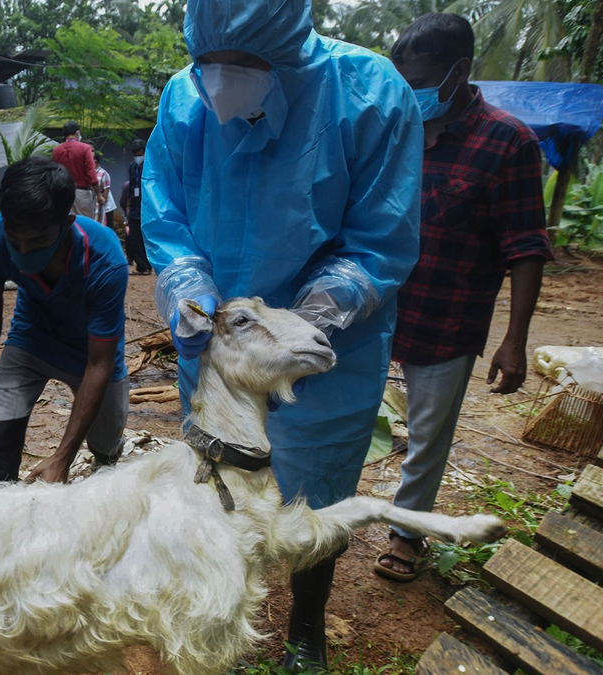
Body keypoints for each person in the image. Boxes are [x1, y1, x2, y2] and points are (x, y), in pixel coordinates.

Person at [141, 0, 422, 670]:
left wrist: (300, 324)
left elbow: (380, 240)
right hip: (217, 355)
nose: (218, 81)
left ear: (288, 49)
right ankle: (221, 607)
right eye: (205, 61)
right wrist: (187, 290)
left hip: (326, 357)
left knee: (316, 492)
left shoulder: (370, 96)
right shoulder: (183, 102)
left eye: (241, 63)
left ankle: (306, 625)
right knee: (219, 483)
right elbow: (166, 214)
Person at [375, 14, 551, 583]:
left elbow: (526, 246)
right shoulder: (394, 131)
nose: (411, 95)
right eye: (403, 83)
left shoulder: (507, 142)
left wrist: (515, 340)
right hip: (376, 311)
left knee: (427, 437)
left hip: (446, 318)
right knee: (347, 414)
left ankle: (407, 533)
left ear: (460, 71)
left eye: (420, 83)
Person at [0, 157, 130, 484]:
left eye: (38, 241)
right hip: (31, 338)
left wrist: (62, 457)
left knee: (106, 447)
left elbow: (99, 363)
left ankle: (102, 468)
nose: (24, 252)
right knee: (3, 440)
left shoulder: (105, 260)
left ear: (67, 223)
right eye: (15, 240)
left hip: (92, 353)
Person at [51, 120, 102, 218]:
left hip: (63, 193)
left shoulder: (56, 150)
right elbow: (91, 174)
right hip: (81, 192)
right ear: (77, 133)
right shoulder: (85, 148)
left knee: (65, 222)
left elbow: (54, 174)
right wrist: (98, 194)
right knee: (85, 223)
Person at [119, 137, 151, 274]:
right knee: (134, 237)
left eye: (140, 154)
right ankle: (142, 266)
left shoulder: (150, 165)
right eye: (135, 155)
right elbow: (131, 188)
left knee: (146, 238)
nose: (138, 157)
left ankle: (147, 265)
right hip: (134, 207)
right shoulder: (132, 167)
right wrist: (128, 207)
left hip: (147, 207)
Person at [94, 151, 117, 228]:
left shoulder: (104, 173)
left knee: (107, 227)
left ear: (95, 161)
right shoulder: (91, 173)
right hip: (96, 205)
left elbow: (106, 192)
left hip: (106, 207)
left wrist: (101, 207)